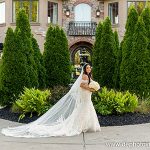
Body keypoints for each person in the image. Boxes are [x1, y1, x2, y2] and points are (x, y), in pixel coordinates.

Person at [1, 63, 101, 137]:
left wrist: (94, 87)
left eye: (89, 67)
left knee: (87, 107)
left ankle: (86, 125)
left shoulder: (89, 75)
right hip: (85, 94)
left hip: (88, 94)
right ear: (84, 69)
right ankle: (80, 125)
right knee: (84, 107)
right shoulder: (84, 75)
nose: (89, 69)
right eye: (87, 68)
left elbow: (89, 83)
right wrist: (91, 88)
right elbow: (81, 85)